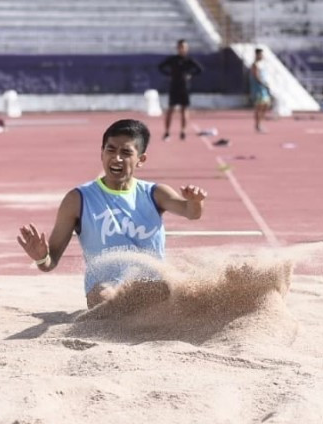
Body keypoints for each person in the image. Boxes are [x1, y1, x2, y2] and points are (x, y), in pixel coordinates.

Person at [16, 119, 208, 309]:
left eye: (125, 152)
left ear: (141, 159)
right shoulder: (77, 200)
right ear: (101, 153)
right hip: (105, 291)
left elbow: (191, 213)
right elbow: (50, 262)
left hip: (152, 286)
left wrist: (195, 202)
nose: (116, 158)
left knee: (181, 293)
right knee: (108, 298)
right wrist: (41, 257)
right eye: (110, 150)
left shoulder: (155, 193)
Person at [158, 40, 204, 141]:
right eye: (180, 47)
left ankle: (183, 131)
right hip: (174, 87)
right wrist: (169, 74)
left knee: (184, 110)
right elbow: (160, 67)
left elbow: (200, 69)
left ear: (187, 48)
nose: (182, 49)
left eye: (184, 47)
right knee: (171, 110)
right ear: (177, 48)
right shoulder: (173, 59)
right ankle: (167, 132)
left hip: (184, 87)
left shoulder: (189, 60)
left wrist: (190, 75)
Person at [250, 48, 272, 133]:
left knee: (266, 105)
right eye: (261, 54)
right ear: (257, 55)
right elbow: (256, 77)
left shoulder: (263, 64)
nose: (262, 56)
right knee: (259, 106)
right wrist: (263, 84)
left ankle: (259, 122)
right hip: (258, 88)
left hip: (263, 88)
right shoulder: (255, 65)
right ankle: (258, 125)